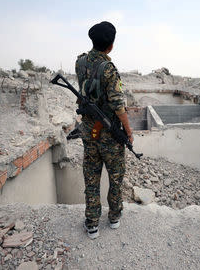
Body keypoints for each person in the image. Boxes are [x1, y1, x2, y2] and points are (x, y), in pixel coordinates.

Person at [75, 21, 134, 239]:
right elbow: (118, 105)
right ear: (111, 45)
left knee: (91, 177)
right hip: (109, 134)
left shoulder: (79, 62)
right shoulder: (109, 69)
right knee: (115, 177)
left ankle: (92, 223)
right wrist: (128, 132)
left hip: (89, 131)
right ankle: (114, 216)